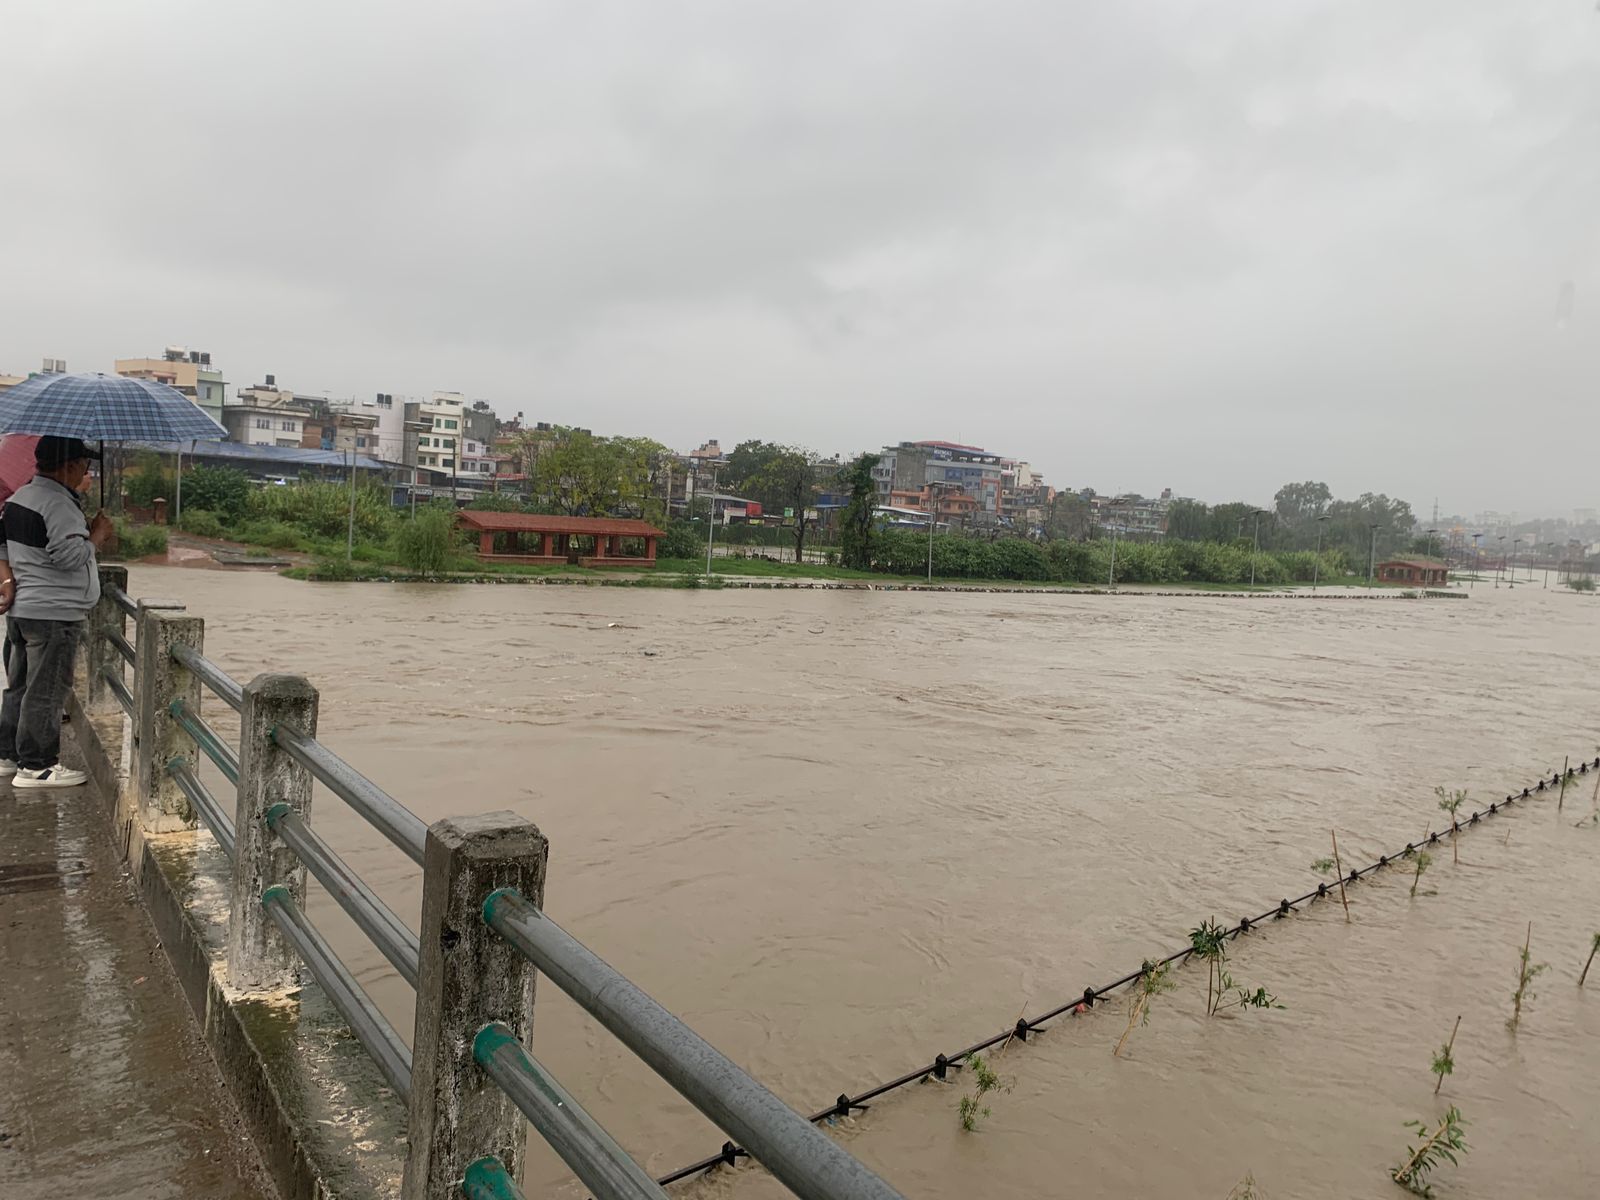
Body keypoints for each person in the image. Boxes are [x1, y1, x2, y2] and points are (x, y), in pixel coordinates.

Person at [0, 437, 113, 787]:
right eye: (83, 463)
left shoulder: (20, 498)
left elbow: (3, 546)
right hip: (53, 613)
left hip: (24, 610)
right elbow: (67, 558)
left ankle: (8, 755)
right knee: (45, 690)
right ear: (66, 465)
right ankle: (37, 766)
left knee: (19, 687)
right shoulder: (58, 505)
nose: (86, 470)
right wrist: (95, 537)